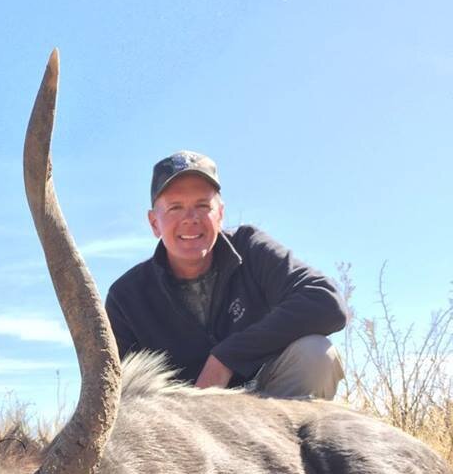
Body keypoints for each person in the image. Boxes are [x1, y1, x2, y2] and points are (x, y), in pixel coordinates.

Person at [105, 151, 347, 398]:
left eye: (203, 205)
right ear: (154, 223)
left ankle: (298, 438)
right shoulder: (125, 297)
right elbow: (115, 392)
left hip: (270, 407)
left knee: (317, 354)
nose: (191, 219)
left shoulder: (249, 246)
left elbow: (327, 302)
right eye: (175, 207)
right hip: (184, 425)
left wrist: (226, 358)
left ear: (220, 214)